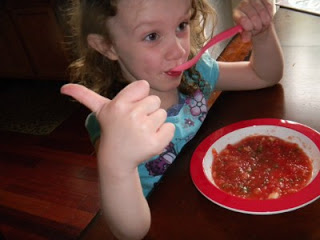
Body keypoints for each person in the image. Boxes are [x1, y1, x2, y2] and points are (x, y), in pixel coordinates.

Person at [61, 0, 283, 239]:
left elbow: (263, 75)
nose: (178, 50)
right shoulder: (114, 127)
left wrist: (262, 34)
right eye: (152, 36)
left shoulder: (196, 74)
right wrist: (117, 164)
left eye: (181, 25)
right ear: (107, 46)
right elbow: (130, 232)